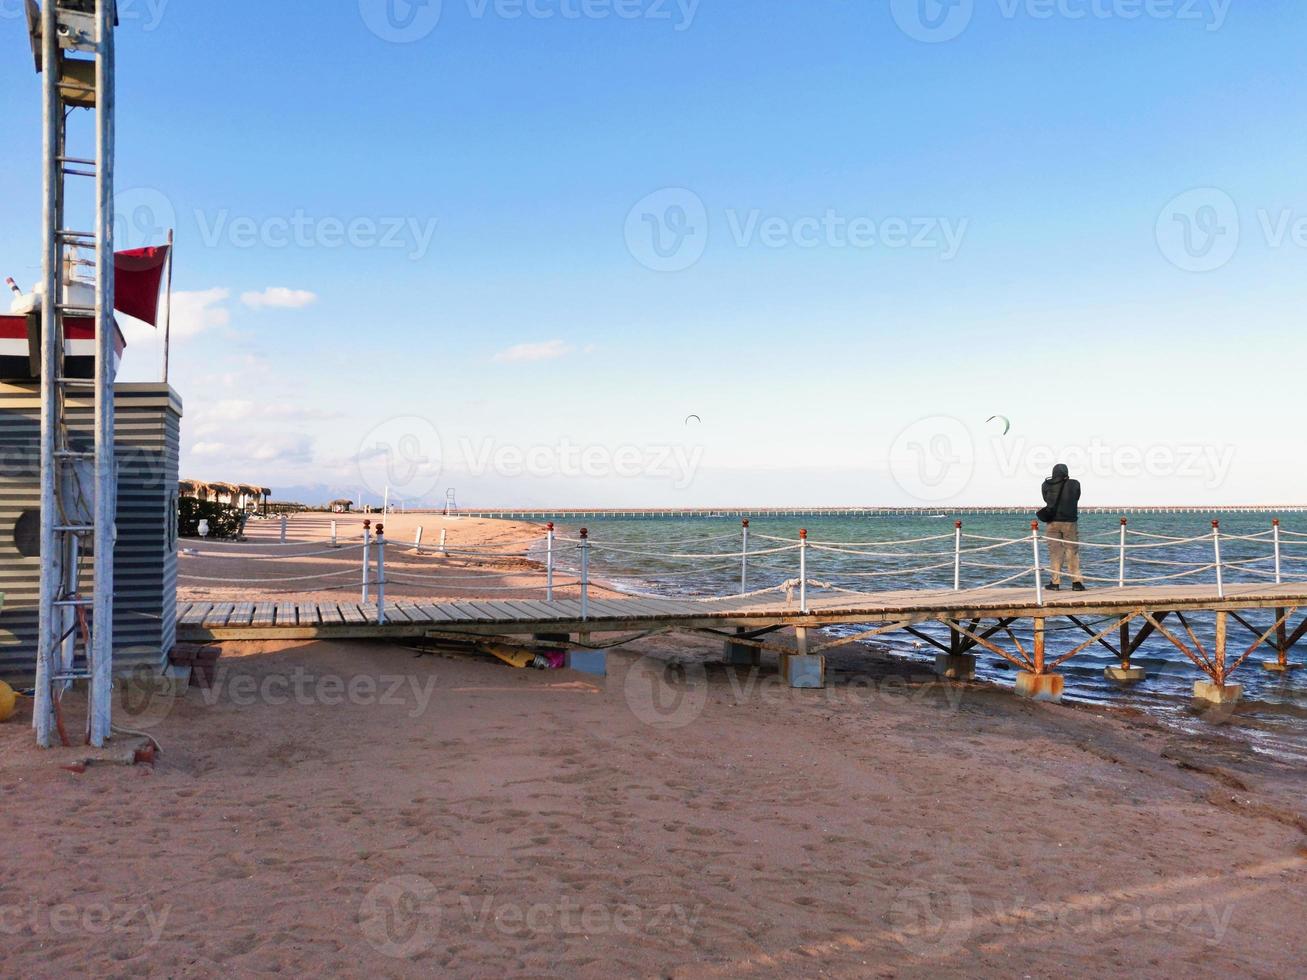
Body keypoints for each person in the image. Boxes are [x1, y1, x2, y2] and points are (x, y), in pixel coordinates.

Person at [1040, 463, 1084, 591]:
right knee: (1072, 552)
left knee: (1055, 553)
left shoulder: (1046, 484)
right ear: (1066, 472)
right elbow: (1077, 497)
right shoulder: (1075, 484)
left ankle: (1055, 583)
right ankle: (1076, 583)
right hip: (1070, 522)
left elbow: (1046, 499)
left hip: (1052, 522)